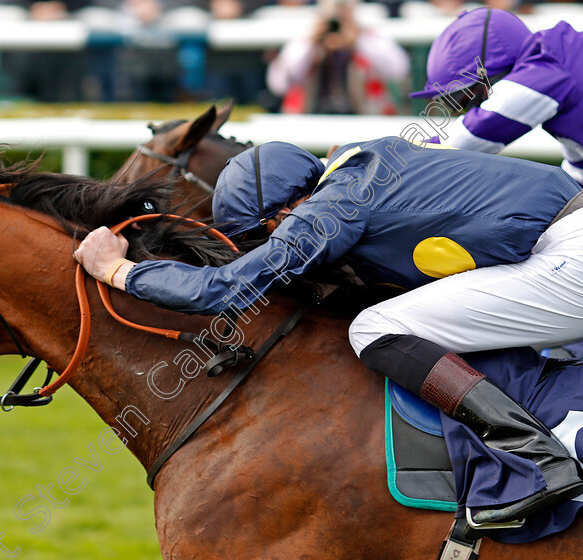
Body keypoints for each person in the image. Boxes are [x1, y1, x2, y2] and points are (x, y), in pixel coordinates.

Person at [74, 137, 583, 527]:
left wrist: (119, 272)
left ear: (286, 210)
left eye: (267, 234)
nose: (276, 243)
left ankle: (539, 459)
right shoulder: (362, 165)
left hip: (567, 256)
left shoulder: (333, 205)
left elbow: (226, 290)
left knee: (375, 327)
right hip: (560, 244)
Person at [410, 7, 583, 185]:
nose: (465, 112)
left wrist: (398, 157)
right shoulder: (561, 58)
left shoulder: (546, 70)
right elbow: (577, 174)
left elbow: (464, 140)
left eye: (465, 101)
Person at [266, 0, 410, 114]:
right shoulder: (306, 37)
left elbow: (398, 70)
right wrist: (311, 43)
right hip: (313, 116)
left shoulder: (368, 36)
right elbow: (279, 84)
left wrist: (358, 40)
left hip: (363, 117)